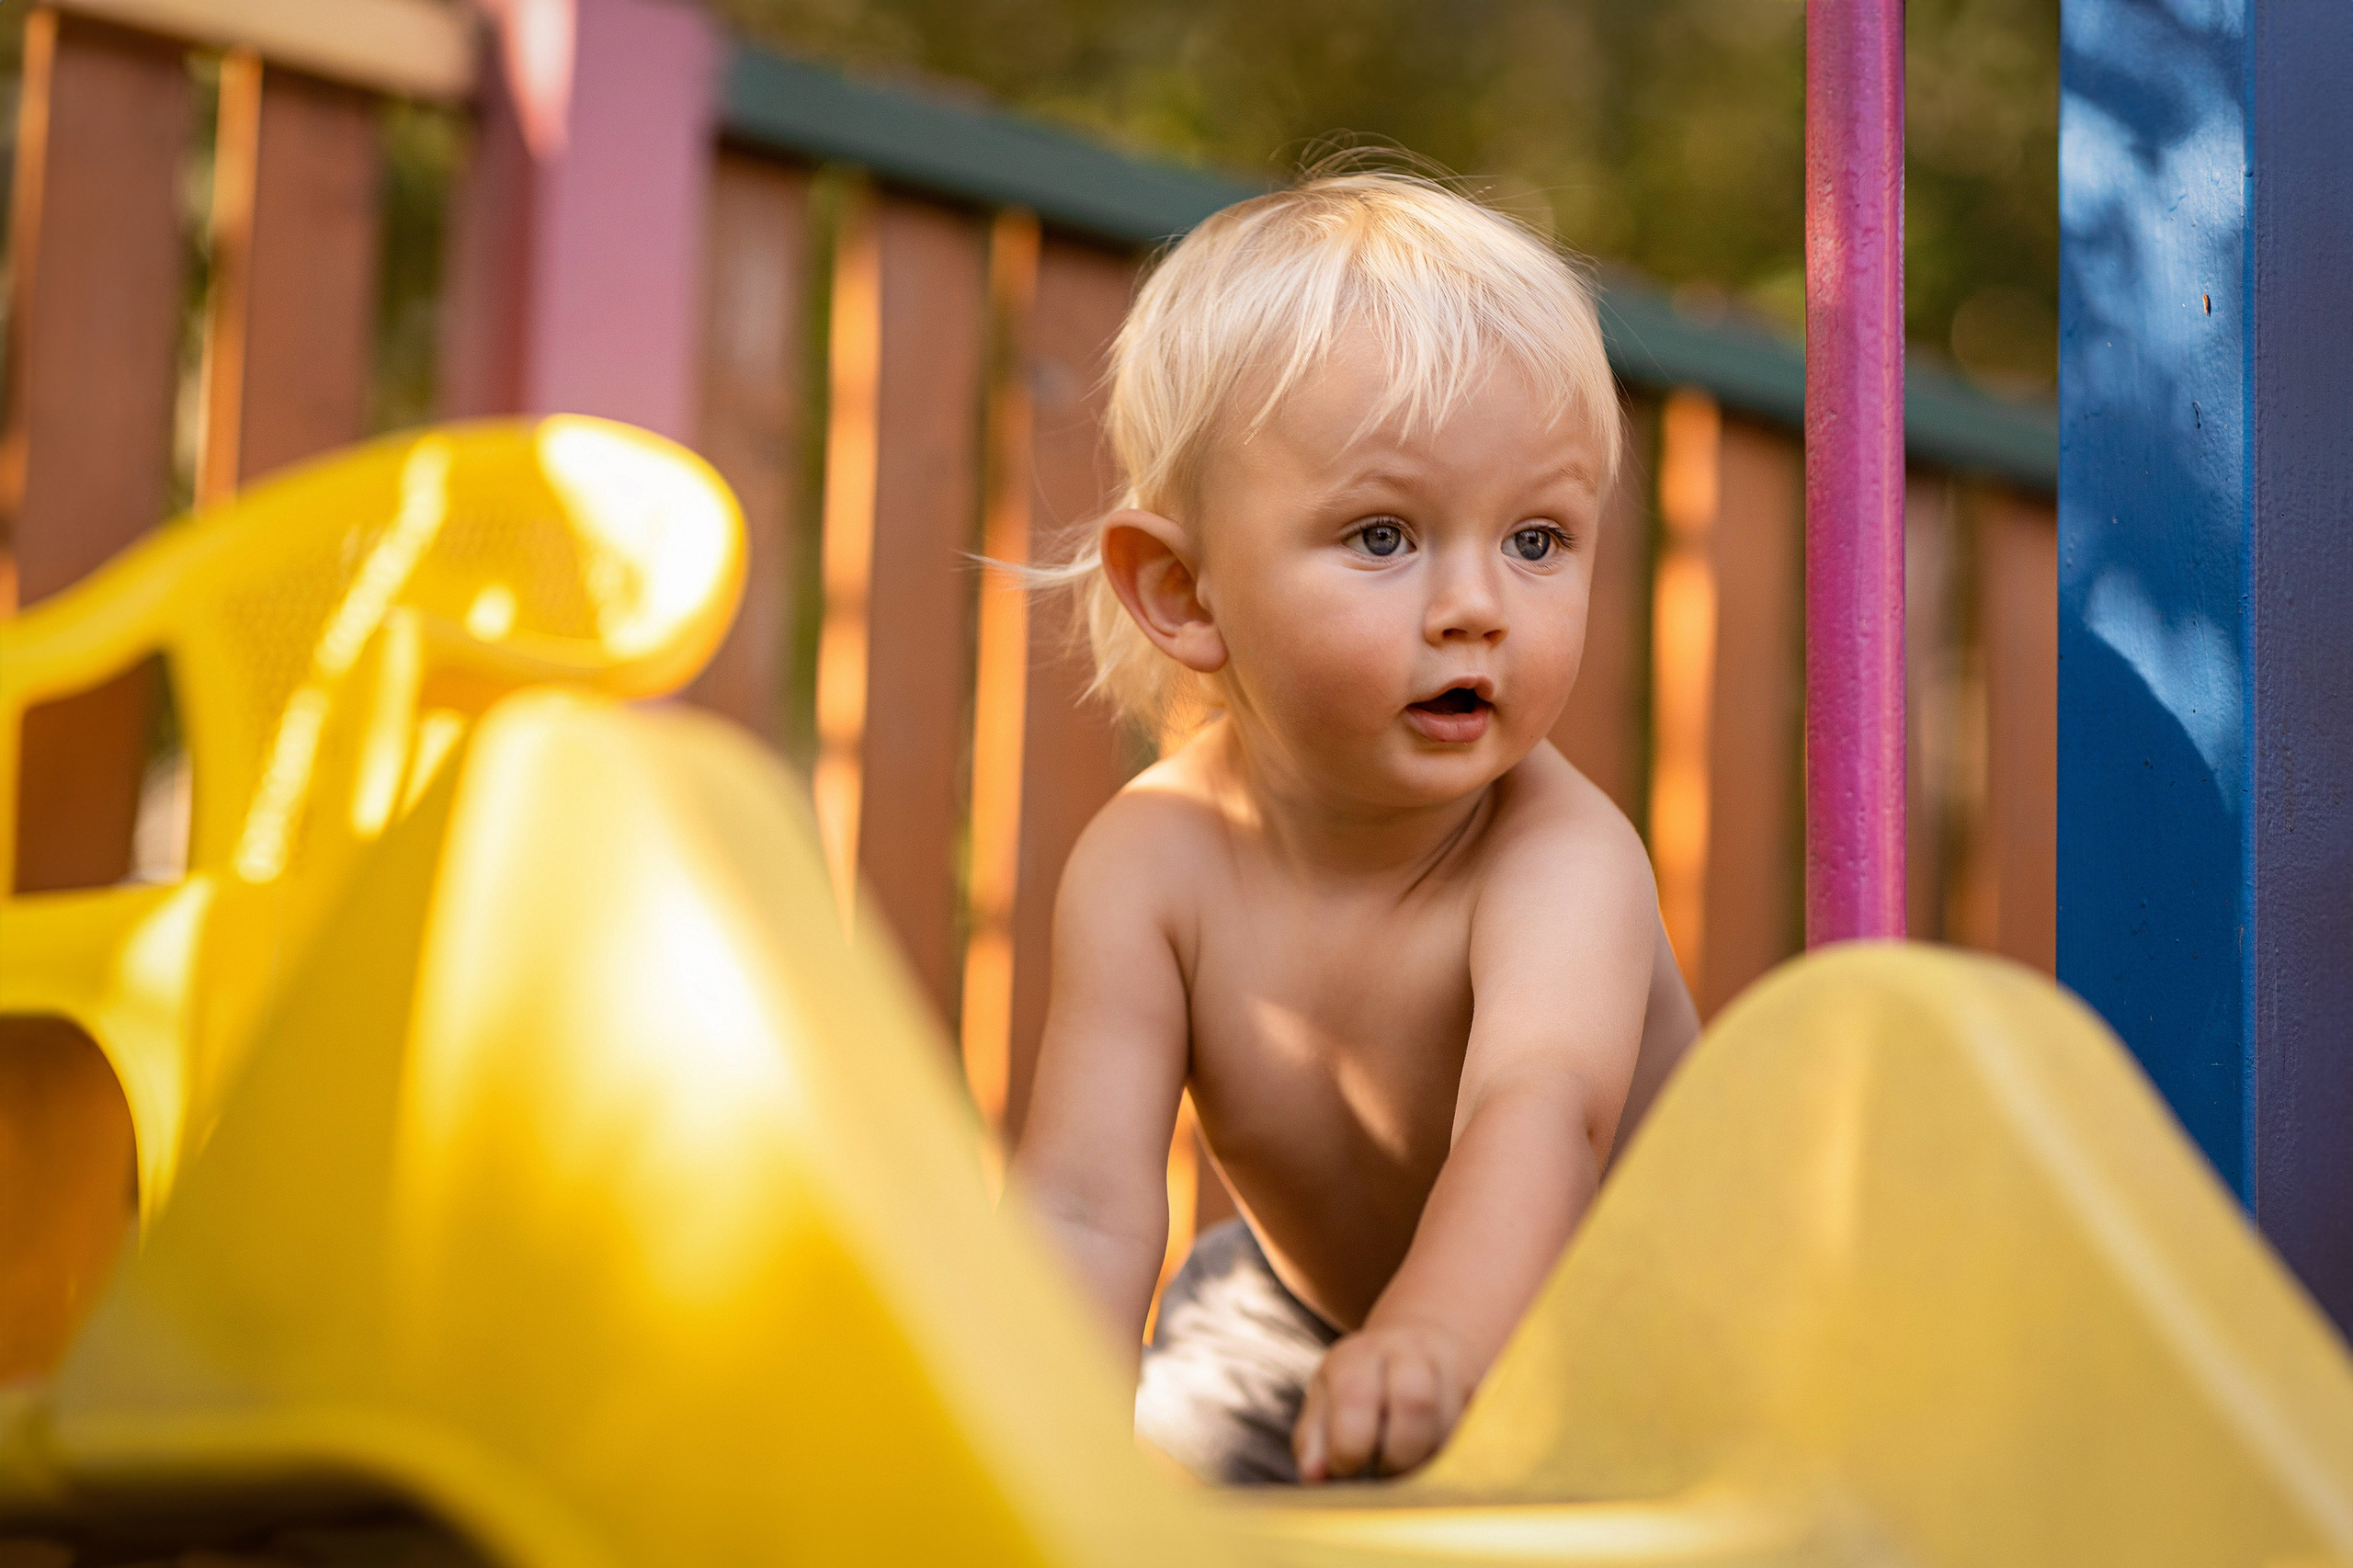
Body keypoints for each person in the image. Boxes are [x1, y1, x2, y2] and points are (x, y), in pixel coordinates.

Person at [1008, 170, 1700, 1488]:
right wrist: (1045, 1453)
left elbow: (1535, 1109)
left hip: (1622, 1354)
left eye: (1539, 538)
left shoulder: (1561, 855)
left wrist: (1434, 1339)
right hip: (1297, 1328)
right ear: (1181, 588)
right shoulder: (1151, 865)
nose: (1476, 605)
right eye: (1385, 534)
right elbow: (1084, 1208)